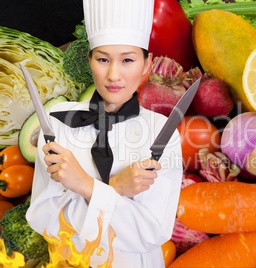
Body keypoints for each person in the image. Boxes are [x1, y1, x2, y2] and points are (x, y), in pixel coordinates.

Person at [26, 0, 183, 267]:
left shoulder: (162, 133)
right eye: (102, 59)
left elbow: (151, 233)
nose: (113, 75)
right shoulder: (57, 124)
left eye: (127, 60)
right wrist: (116, 190)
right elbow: (42, 219)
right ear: (89, 61)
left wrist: (85, 187)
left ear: (147, 64)